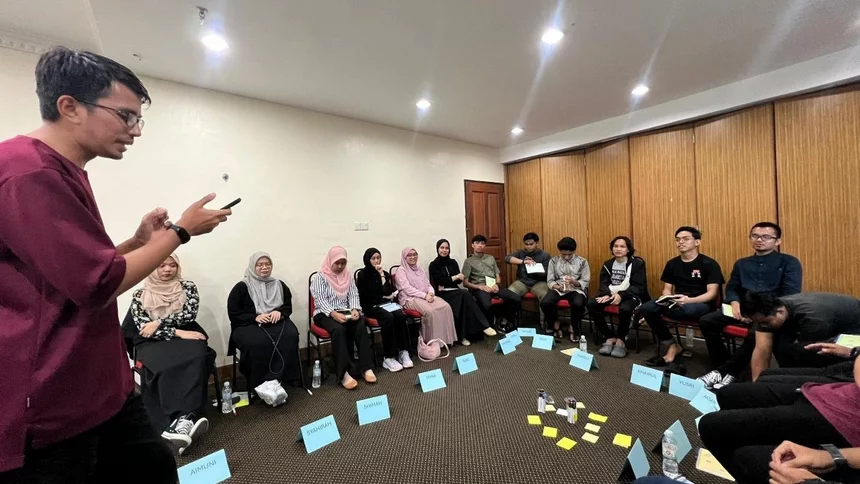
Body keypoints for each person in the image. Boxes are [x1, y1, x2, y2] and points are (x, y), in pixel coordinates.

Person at [0, 47, 230, 482]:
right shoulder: (28, 172)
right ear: (69, 107)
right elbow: (97, 283)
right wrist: (179, 232)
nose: (135, 131)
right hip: (53, 398)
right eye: (125, 116)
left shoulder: (62, 170)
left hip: (102, 385)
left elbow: (78, 268)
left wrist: (137, 242)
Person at [698, 351, 860, 483]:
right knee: (732, 394)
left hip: (845, 418)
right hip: (839, 395)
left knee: (745, 453)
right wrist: (831, 456)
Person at [697, 222, 802, 389]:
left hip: (769, 312)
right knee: (707, 321)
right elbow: (732, 287)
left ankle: (725, 372)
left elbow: (790, 294)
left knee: (758, 331)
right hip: (741, 308)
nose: (759, 240)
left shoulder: (789, 262)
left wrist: (755, 313)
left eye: (766, 237)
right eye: (755, 236)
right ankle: (724, 365)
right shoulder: (742, 263)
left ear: (777, 241)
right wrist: (734, 301)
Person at [125, 254, 211, 452]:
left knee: (197, 356)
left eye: (172, 265)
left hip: (186, 336)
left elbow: (188, 315)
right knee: (164, 365)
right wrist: (177, 331)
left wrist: (159, 322)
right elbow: (143, 328)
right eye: (161, 265)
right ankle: (180, 419)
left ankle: (182, 422)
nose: (167, 269)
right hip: (153, 342)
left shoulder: (187, 287)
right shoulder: (140, 295)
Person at [642, 226, 724, 368]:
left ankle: (660, 316)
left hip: (699, 303)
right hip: (676, 302)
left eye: (686, 239)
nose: (681, 242)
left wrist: (688, 301)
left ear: (697, 242)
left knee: (688, 310)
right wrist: (667, 299)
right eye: (678, 240)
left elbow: (712, 294)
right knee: (647, 308)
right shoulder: (672, 263)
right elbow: (667, 290)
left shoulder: (709, 264)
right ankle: (672, 345)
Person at [738, 292, 860, 381]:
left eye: (765, 323)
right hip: (826, 318)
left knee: (801, 352)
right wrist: (757, 384)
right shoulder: (768, 311)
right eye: (758, 323)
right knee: (782, 345)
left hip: (853, 329)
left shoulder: (813, 318)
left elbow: (808, 351)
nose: (762, 326)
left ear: (780, 312)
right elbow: (762, 349)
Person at [227, 252, 302, 392]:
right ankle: (258, 381)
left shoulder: (279, 285)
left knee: (290, 336)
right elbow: (234, 313)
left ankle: (286, 376)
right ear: (252, 266)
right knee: (257, 342)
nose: (264, 267)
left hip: (276, 321)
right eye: (259, 264)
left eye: (268, 264)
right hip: (248, 324)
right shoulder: (242, 287)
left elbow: (287, 306)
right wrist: (254, 317)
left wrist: (279, 312)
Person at [310, 247, 376, 390]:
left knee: (360, 325)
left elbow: (353, 294)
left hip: (345, 311)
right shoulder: (320, 277)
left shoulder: (348, 275)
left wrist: (354, 309)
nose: (340, 266)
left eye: (343, 263)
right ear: (330, 261)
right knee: (338, 329)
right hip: (324, 313)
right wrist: (333, 313)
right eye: (337, 263)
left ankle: (366, 367)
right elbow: (320, 300)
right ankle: (343, 374)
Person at [587, 236, 650, 358]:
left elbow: (639, 287)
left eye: (622, 246)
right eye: (615, 246)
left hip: (631, 295)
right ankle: (609, 336)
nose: (618, 249)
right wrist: (606, 294)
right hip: (611, 294)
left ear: (628, 249)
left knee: (625, 308)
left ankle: (621, 339)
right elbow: (603, 283)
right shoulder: (608, 264)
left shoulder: (637, 264)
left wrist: (621, 295)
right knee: (591, 304)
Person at [428, 239, 497, 345]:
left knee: (464, 301)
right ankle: (484, 326)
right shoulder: (433, 265)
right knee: (465, 294)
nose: (444, 250)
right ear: (437, 249)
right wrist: (455, 277)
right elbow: (439, 281)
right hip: (442, 293)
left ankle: (463, 336)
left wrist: (456, 278)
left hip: (455, 291)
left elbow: (460, 280)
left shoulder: (453, 262)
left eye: (447, 248)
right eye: (442, 248)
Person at [355, 248, 413, 372]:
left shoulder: (384, 273)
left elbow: (388, 292)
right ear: (368, 260)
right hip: (370, 306)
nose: (376, 261)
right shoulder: (363, 274)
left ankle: (403, 352)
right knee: (388, 317)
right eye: (373, 258)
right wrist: (382, 296)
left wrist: (381, 276)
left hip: (385, 304)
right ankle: (389, 357)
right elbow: (367, 296)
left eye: (378, 258)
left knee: (400, 315)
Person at [394, 247, 457, 346]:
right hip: (410, 299)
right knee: (430, 311)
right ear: (404, 258)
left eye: (415, 254)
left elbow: (428, 284)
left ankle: (445, 340)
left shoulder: (419, 268)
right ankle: (430, 343)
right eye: (409, 255)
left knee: (446, 307)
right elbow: (407, 289)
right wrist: (425, 296)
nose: (413, 257)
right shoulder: (401, 271)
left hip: (425, 296)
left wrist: (431, 293)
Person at [462, 234, 522, 332]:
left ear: (485, 245)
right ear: (472, 245)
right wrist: (480, 287)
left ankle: (504, 319)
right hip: (480, 288)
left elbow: (498, 276)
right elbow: (465, 283)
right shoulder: (468, 261)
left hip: (493, 286)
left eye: (482, 243)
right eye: (477, 243)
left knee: (516, 298)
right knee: (487, 304)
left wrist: (496, 284)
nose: (480, 245)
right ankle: (494, 319)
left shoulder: (490, 258)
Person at [541, 237, 590, 343]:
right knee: (545, 302)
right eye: (563, 255)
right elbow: (550, 281)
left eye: (569, 254)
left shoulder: (582, 262)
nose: (566, 257)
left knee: (578, 303)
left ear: (574, 251)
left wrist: (573, 282)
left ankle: (573, 327)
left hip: (576, 289)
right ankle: (555, 323)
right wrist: (558, 287)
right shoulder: (553, 261)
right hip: (558, 288)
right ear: (560, 252)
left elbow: (585, 281)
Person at [505, 232, 551, 324]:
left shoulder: (544, 255)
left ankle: (544, 323)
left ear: (537, 243)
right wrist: (523, 262)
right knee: (510, 292)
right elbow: (507, 258)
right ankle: (509, 321)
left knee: (544, 295)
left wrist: (535, 269)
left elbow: (547, 272)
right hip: (522, 282)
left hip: (539, 282)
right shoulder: (520, 252)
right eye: (526, 244)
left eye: (531, 244)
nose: (529, 246)